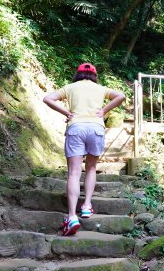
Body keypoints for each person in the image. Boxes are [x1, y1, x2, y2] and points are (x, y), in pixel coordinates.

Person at [43, 63, 125, 236]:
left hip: (76, 127)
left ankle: (72, 216)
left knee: (74, 172)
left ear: (78, 75)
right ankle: (87, 205)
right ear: (94, 76)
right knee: (91, 168)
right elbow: (121, 96)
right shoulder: (101, 88)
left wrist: (66, 113)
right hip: (96, 128)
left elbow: (48, 99)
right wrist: (103, 110)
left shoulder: (70, 88)